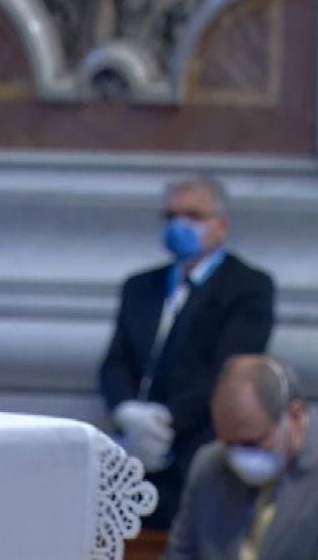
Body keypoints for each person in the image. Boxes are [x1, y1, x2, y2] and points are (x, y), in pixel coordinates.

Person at [100, 176, 275, 529]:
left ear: (221, 225)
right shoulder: (140, 287)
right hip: (133, 453)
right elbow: (115, 361)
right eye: (170, 216)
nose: (179, 225)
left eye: (193, 215)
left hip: (201, 452)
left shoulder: (247, 287)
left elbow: (229, 370)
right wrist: (127, 412)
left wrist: (166, 422)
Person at [164, 355, 318, 560]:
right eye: (228, 444)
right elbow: (180, 554)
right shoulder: (208, 464)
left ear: (294, 416)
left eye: (252, 443)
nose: (237, 457)